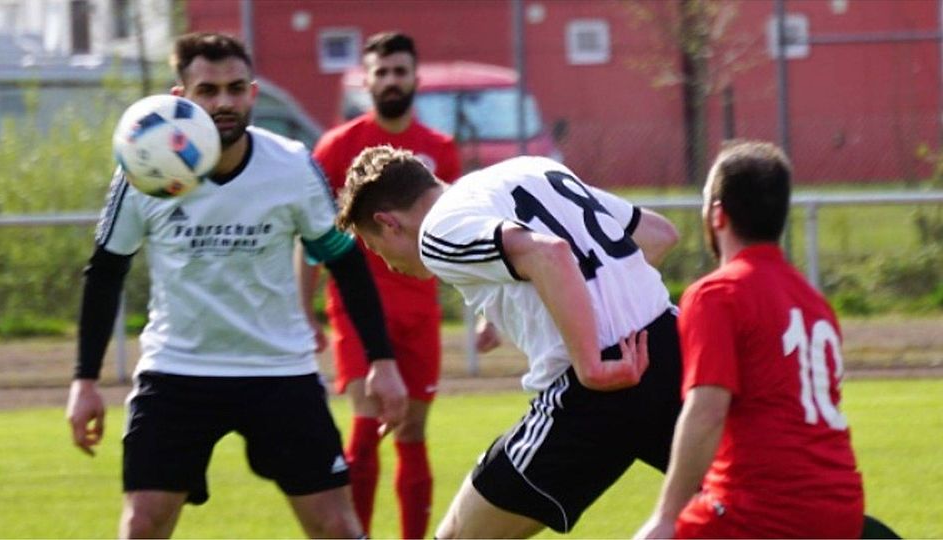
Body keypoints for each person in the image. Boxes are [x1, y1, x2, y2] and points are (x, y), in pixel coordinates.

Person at [65, 32, 407, 539]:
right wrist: (85, 381)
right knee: (142, 525)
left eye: (235, 88)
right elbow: (106, 270)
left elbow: (344, 261)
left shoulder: (290, 164)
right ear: (180, 99)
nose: (224, 102)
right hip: (177, 370)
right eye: (208, 90)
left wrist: (382, 361)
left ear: (251, 92)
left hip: (278, 369)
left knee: (337, 526)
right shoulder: (146, 169)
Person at [335, 145, 685, 538]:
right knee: (744, 512)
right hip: (671, 350)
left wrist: (592, 365)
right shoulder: (529, 169)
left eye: (374, 247)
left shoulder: (435, 232)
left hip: (595, 394)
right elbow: (657, 234)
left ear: (388, 223)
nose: (385, 263)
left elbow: (547, 253)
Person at [298, 31, 498, 539]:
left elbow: (465, 234)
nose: (390, 80)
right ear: (366, 80)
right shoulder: (337, 147)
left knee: (412, 431)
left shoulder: (439, 150)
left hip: (418, 310)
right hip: (356, 310)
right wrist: (303, 308)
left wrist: (485, 307)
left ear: (415, 78)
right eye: (381, 72)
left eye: (399, 71)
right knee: (365, 433)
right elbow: (314, 234)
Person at [634, 140, 865, 539]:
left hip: (760, 509)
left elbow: (706, 411)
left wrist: (666, 517)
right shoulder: (814, 302)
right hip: (842, 507)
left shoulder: (717, 294)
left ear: (717, 215)